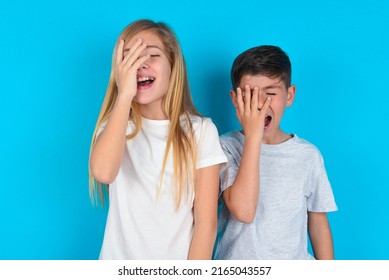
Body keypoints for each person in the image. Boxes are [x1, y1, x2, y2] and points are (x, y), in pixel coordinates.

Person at [89, 19, 227, 260]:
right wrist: (124, 95)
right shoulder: (115, 128)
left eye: (151, 55)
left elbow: (206, 224)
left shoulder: (201, 131)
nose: (140, 65)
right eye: (130, 58)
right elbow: (103, 173)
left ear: (173, 65)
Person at [213, 45, 337, 260]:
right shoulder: (223, 147)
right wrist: (253, 137)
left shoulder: (308, 155)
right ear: (235, 99)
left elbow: (318, 222)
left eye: (270, 93)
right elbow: (244, 211)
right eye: (250, 95)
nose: (260, 103)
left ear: (289, 96)